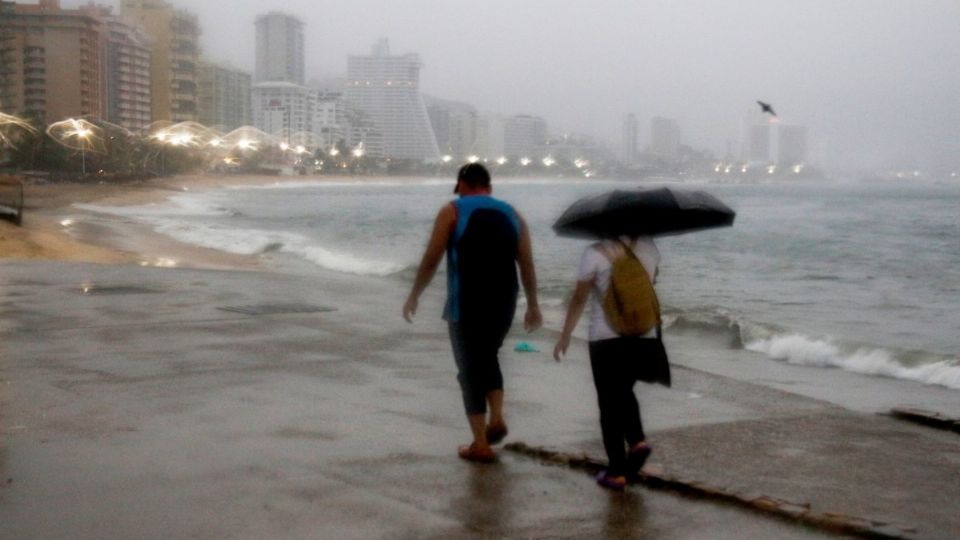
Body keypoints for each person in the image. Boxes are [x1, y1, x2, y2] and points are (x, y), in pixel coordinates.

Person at [404, 163, 543, 463]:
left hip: (465, 302)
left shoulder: (452, 211)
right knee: (488, 355)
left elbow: (432, 258)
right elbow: (527, 264)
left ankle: (480, 444)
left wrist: (415, 293)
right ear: (489, 188)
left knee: (469, 369)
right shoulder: (513, 214)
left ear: (463, 184)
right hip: (505, 301)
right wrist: (533, 305)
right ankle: (497, 417)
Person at [553, 235, 670, 490]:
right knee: (624, 391)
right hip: (643, 335)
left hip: (605, 337)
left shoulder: (595, 252)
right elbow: (651, 282)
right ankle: (637, 442)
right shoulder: (649, 247)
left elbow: (579, 298)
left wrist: (565, 336)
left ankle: (617, 470)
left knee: (608, 403)